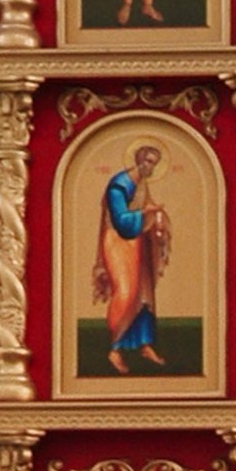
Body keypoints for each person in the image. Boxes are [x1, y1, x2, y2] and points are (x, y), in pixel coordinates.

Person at [96, 140, 170, 373]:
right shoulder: (120, 184)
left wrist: (159, 224)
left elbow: (147, 214)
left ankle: (145, 345)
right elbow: (121, 220)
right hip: (118, 240)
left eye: (155, 164)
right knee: (126, 292)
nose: (151, 167)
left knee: (144, 293)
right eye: (148, 162)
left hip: (138, 241)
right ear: (139, 159)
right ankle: (114, 349)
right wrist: (145, 213)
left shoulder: (142, 185)